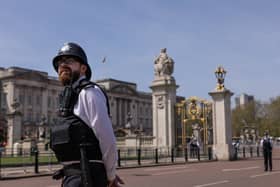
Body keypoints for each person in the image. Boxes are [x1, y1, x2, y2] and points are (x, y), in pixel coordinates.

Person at [50, 42, 124, 187]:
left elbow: (107, 137)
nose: (62, 65)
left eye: (69, 61)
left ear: (83, 68)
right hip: (73, 176)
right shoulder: (68, 98)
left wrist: (110, 174)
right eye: (59, 63)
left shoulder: (89, 92)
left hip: (88, 177)